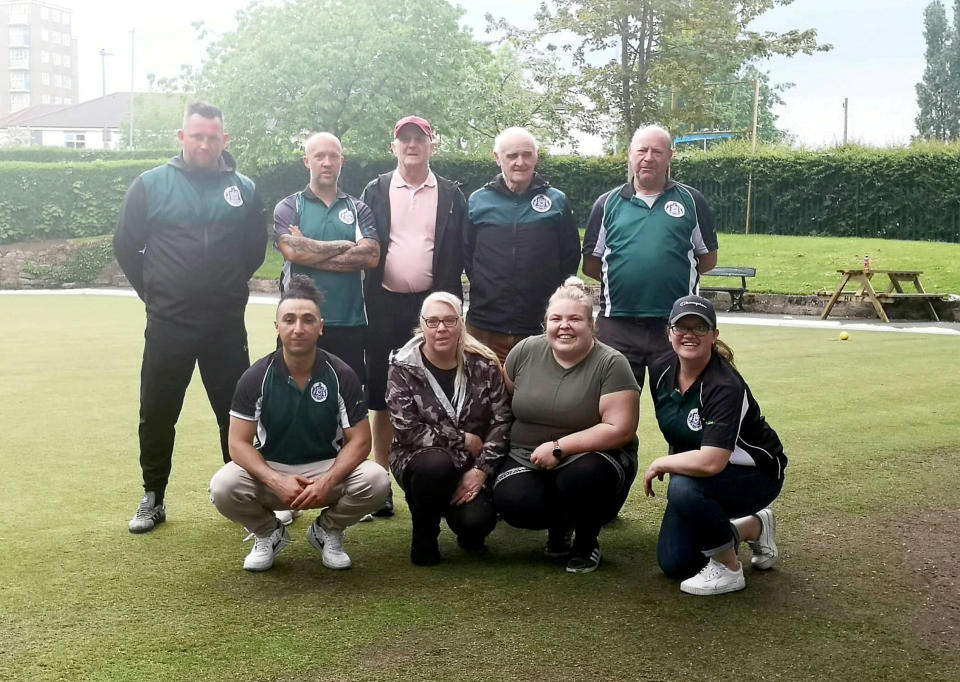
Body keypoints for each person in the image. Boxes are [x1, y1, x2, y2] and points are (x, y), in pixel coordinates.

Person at [114, 101, 267, 534]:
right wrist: (156, 294)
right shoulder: (150, 184)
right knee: (158, 410)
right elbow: (126, 246)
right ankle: (153, 496)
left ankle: (241, 496)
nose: (204, 144)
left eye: (212, 137)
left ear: (224, 140)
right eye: (196, 136)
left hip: (224, 323)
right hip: (169, 322)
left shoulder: (245, 189)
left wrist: (228, 285)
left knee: (234, 412)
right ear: (181, 137)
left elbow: (255, 250)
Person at [209, 275, 390, 572]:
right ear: (277, 326)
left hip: (326, 467)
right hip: (273, 469)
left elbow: (360, 441)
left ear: (321, 327)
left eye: (308, 320)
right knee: (224, 486)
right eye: (289, 320)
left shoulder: (341, 374)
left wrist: (326, 482)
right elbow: (238, 444)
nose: (298, 328)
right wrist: (275, 480)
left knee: (377, 480)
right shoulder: (256, 377)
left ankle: (327, 530)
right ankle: (268, 533)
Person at [493, 277, 640, 573]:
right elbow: (504, 402)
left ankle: (587, 542)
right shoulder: (524, 352)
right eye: (556, 319)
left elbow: (620, 429)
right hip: (527, 456)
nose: (564, 326)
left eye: (575, 319)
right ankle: (560, 527)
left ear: (591, 324)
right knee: (513, 501)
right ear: (545, 323)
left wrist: (560, 447)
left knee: (581, 477)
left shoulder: (612, 363)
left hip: (593, 460)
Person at [360, 115, 468, 518]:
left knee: (441, 390)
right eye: (404, 140)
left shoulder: (453, 194)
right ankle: (381, 484)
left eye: (418, 139)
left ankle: (445, 474)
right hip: (383, 305)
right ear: (394, 147)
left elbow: (463, 250)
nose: (411, 145)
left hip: (434, 307)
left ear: (430, 144)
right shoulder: (375, 190)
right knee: (382, 396)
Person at [644, 295, 787, 595]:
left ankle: (728, 569)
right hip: (702, 475)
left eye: (700, 328)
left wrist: (661, 464)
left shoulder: (724, 385)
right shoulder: (660, 369)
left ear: (714, 335)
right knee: (676, 563)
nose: (690, 335)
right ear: (669, 331)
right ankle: (753, 527)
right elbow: (679, 436)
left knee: (682, 487)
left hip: (755, 475)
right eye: (681, 327)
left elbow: (711, 463)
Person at [582, 124, 719, 389]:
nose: (648, 157)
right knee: (610, 410)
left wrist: (667, 273)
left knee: (678, 409)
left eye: (657, 151)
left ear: (670, 156)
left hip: (675, 324)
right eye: (642, 150)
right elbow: (591, 263)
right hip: (617, 325)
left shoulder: (692, 200)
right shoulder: (606, 203)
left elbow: (707, 259)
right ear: (630, 154)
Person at [386, 292, 511, 565]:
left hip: (472, 465)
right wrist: (462, 439)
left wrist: (481, 470)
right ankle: (425, 534)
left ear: (461, 323)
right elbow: (406, 429)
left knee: (476, 523)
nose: (441, 328)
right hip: (419, 459)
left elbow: (502, 421)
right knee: (436, 465)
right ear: (422, 325)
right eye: (432, 321)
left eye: (449, 320)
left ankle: (464, 522)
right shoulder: (402, 366)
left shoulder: (485, 364)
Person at [464, 126, 581, 363]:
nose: (520, 162)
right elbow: (467, 254)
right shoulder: (478, 200)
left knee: (536, 399)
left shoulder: (556, 200)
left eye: (527, 154)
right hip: (485, 327)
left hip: (539, 327)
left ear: (536, 156)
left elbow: (569, 255)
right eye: (512, 156)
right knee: (483, 399)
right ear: (498, 159)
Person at [273, 132, 380, 384]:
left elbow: (371, 256)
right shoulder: (290, 206)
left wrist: (308, 249)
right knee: (292, 404)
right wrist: (347, 245)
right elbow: (293, 251)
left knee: (348, 409)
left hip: (350, 324)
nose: (327, 162)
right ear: (306, 161)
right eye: (319, 156)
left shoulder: (358, 208)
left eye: (333, 156)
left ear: (341, 161)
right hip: (299, 323)